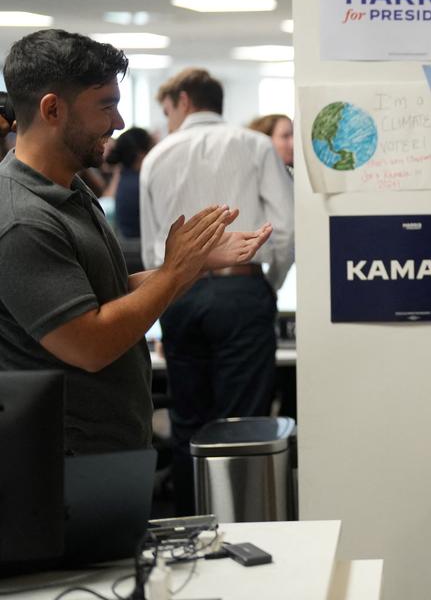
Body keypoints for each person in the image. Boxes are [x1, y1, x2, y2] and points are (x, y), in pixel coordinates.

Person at [0, 29, 271, 454]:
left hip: (104, 448)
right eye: (106, 106)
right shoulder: (21, 219)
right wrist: (175, 272)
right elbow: (90, 343)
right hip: (61, 464)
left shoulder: (70, 190)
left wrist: (195, 263)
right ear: (52, 109)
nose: (120, 123)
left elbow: (106, 297)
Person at [141, 67, 294, 514]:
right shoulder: (256, 146)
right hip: (242, 293)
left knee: (188, 421)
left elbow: (155, 250)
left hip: (181, 298)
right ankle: (245, 529)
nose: (167, 119)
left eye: (167, 109)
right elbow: (283, 230)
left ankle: (193, 531)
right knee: (244, 421)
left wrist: (168, 294)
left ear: (184, 101)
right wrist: (270, 281)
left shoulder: (157, 156)